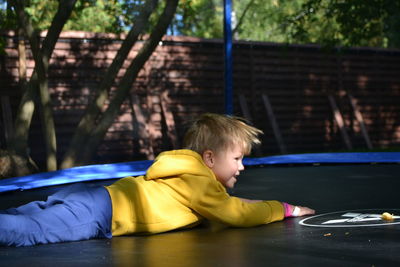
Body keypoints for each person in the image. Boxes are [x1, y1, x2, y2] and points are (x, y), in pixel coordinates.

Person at [0, 113, 315, 247]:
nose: (242, 167)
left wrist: (258, 203)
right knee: (31, 232)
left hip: (96, 198)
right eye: (236, 159)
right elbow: (235, 214)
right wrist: (283, 209)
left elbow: (227, 206)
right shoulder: (201, 184)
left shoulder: (188, 175)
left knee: (27, 213)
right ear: (209, 158)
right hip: (101, 215)